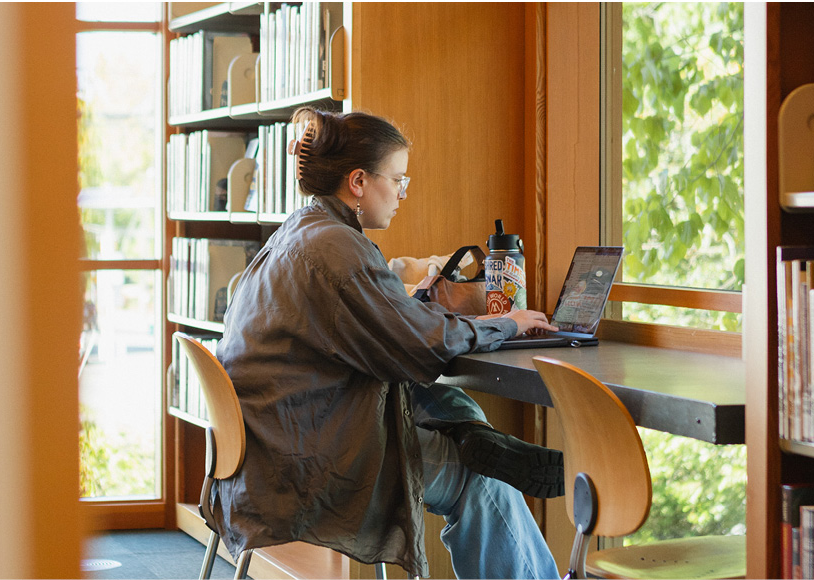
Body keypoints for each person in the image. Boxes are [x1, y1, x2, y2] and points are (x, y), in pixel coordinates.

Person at [212, 106, 562, 579]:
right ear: (358, 182)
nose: (402, 193)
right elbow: (422, 346)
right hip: (307, 459)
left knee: (441, 400)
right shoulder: (338, 249)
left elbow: (379, 325)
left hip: (275, 437)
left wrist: (409, 304)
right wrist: (509, 323)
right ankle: (484, 450)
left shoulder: (303, 229)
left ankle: (478, 439)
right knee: (481, 479)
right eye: (397, 179)